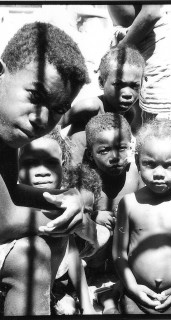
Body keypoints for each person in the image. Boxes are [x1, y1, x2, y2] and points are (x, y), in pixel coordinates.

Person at [0, 22, 99, 315]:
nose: (42, 118)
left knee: (51, 239)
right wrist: (70, 218)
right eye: (35, 96)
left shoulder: (6, 136)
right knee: (32, 254)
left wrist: (64, 199)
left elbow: (11, 195)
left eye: (58, 109)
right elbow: (4, 222)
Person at [113, 119, 171, 314]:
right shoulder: (129, 203)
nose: (158, 173)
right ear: (138, 160)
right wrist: (132, 287)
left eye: (169, 165)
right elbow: (119, 253)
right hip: (137, 293)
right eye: (149, 164)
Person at [17, 128, 96, 315]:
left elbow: (73, 254)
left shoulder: (64, 200)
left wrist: (87, 305)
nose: (42, 172)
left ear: (62, 164)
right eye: (30, 163)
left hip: (46, 288)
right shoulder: (11, 200)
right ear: (16, 165)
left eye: (51, 163)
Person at [84, 112, 144, 314]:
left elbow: (147, 202)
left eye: (121, 148)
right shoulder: (88, 177)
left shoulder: (135, 172)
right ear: (91, 154)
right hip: (97, 255)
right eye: (104, 151)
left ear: (130, 146)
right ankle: (94, 280)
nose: (115, 157)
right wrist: (95, 215)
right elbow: (78, 211)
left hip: (127, 250)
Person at [60, 45, 145, 165]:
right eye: (118, 85)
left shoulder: (129, 114)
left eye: (134, 86)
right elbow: (55, 127)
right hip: (75, 171)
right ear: (101, 82)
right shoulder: (90, 107)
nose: (127, 93)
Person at [108, 4, 171, 123]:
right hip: (133, 43)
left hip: (152, 44)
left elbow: (151, 12)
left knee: (160, 123)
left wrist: (120, 48)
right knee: (139, 120)